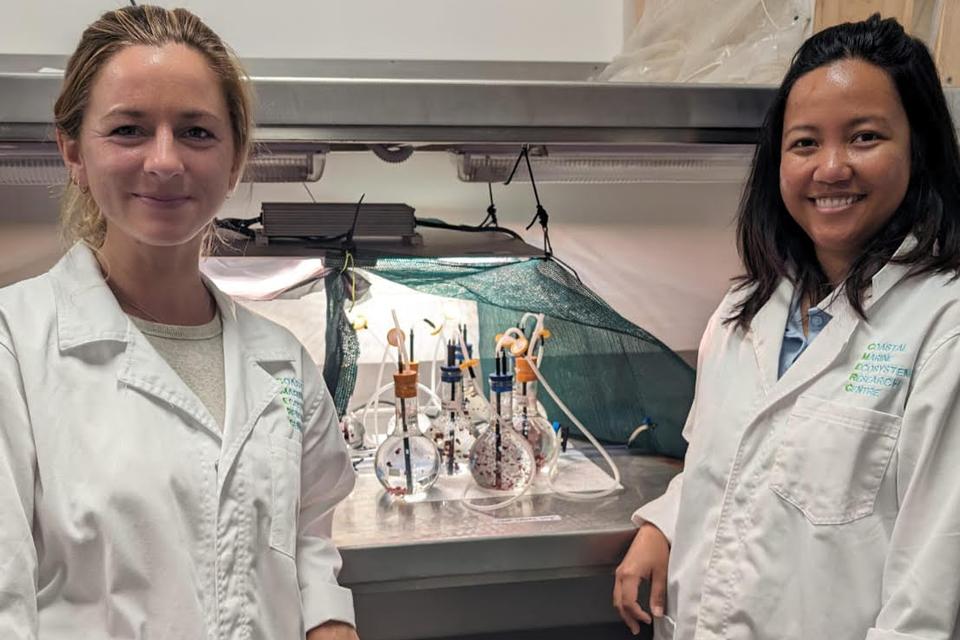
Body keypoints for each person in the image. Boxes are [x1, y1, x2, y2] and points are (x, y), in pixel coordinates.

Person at [0, 6, 359, 639]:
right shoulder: (16, 346)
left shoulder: (281, 362)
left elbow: (306, 537)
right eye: (129, 130)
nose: (165, 161)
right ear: (72, 151)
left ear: (236, 158)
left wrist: (330, 623)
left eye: (196, 132)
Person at [614, 14, 960, 640]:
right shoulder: (744, 312)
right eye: (804, 143)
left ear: (920, 149)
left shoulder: (943, 329)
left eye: (864, 137)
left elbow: (929, 597)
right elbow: (724, 465)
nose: (830, 168)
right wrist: (664, 523)